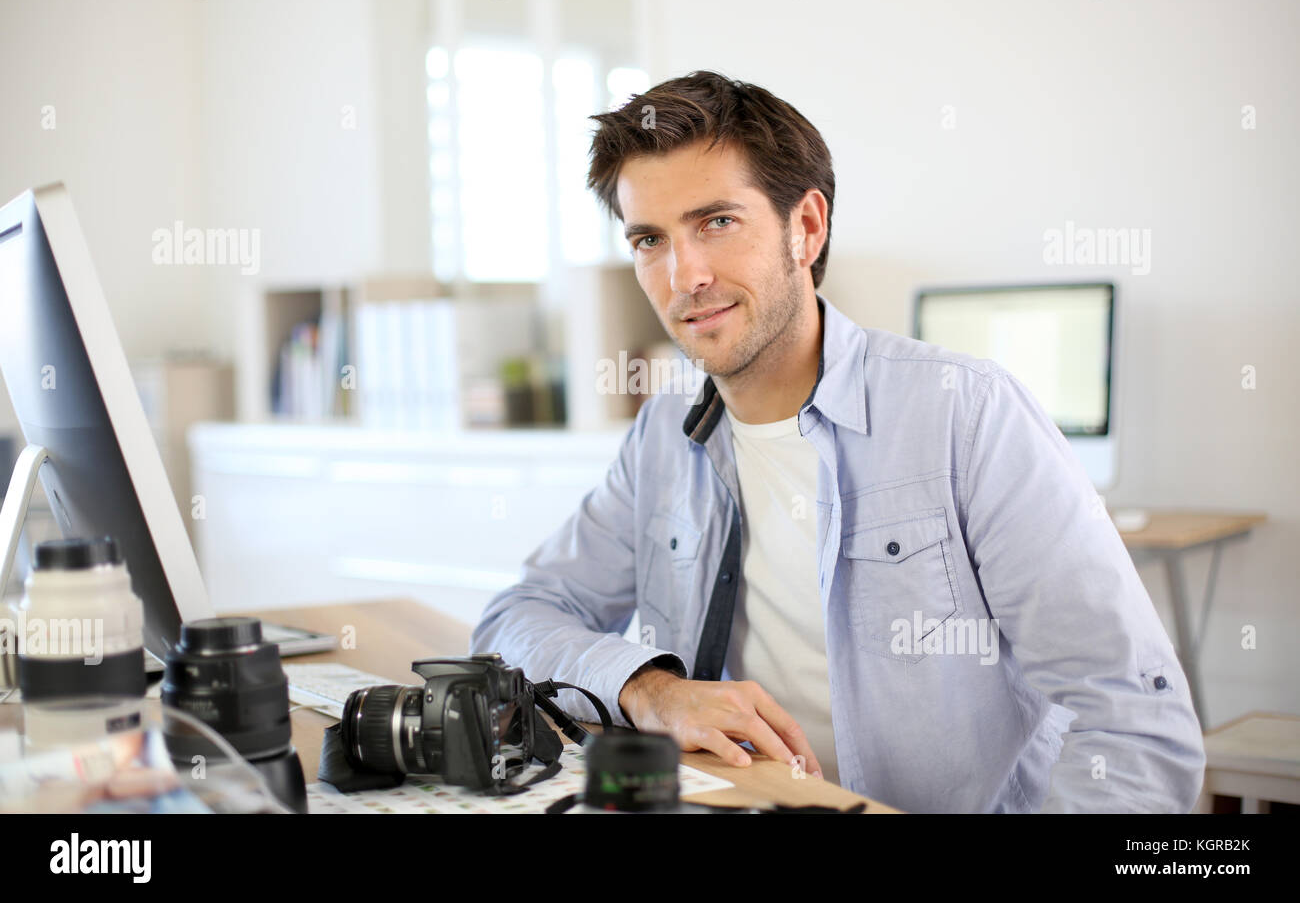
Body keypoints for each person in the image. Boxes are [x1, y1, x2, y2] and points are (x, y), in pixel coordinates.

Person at [470, 70, 1205, 812]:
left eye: (717, 222)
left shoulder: (967, 415)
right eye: (650, 239)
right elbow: (515, 621)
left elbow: (1134, 720)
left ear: (807, 227)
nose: (684, 275)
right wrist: (648, 690)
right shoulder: (663, 434)